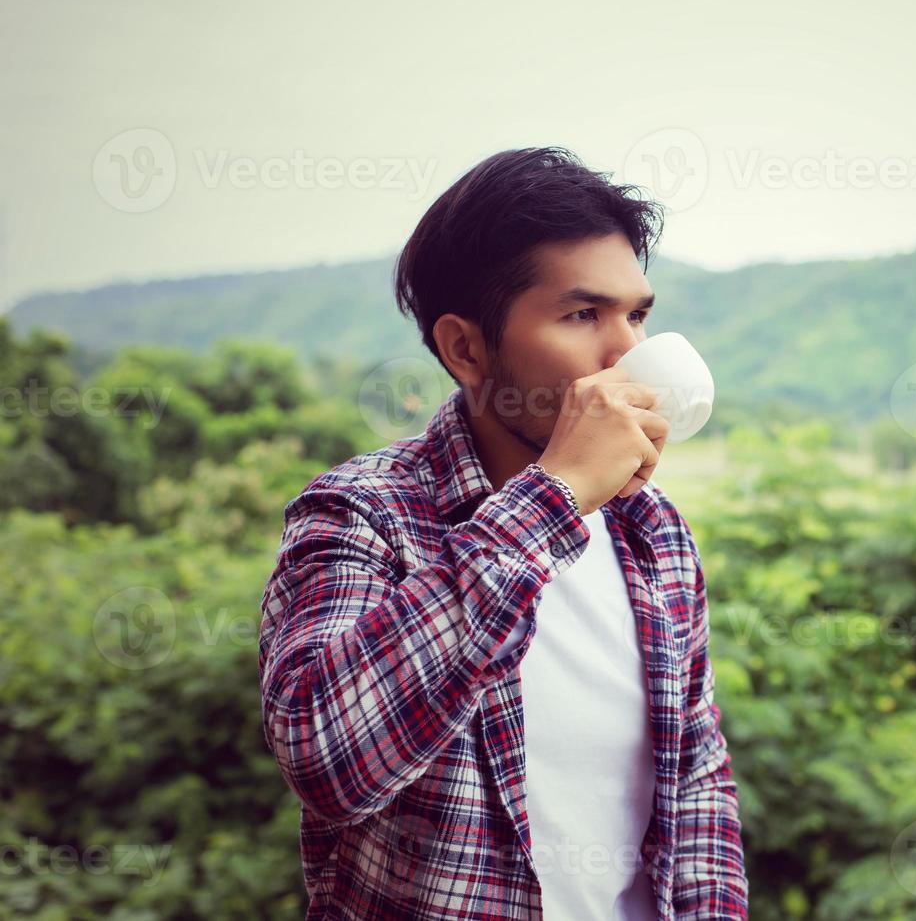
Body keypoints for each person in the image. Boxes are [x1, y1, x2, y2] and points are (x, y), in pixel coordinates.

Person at [257, 146, 748, 920]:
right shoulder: (363, 514)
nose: (627, 353)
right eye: (583, 315)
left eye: (638, 315)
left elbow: (699, 784)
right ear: (466, 349)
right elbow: (328, 759)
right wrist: (552, 497)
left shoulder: (654, 531)